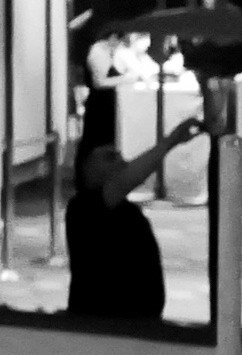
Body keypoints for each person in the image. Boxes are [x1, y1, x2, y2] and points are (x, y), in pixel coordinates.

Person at [61, 81, 196, 321]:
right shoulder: (83, 209)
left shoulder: (126, 209)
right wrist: (171, 141)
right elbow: (127, 179)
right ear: (86, 168)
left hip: (138, 322)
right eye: (109, 157)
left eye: (119, 155)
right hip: (103, 324)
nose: (121, 161)